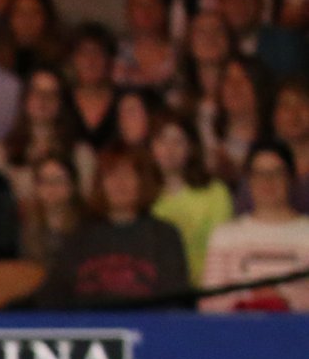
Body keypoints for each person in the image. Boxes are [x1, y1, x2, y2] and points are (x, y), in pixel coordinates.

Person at [35, 146, 190, 305]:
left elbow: (175, 299)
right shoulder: (80, 237)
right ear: (100, 184)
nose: (119, 183)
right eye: (111, 176)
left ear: (141, 182)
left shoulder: (164, 236)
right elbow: (54, 294)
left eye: (127, 175)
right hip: (90, 325)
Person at [201, 142, 309, 310]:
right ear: (249, 180)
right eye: (259, 174)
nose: (267, 181)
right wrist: (249, 301)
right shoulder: (225, 235)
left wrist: (283, 301)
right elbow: (209, 304)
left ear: (291, 178)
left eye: (276, 173)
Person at [148, 117, 232, 283]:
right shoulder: (142, 196)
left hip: (206, 290)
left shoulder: (215, 192)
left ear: (191, 147)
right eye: (162, 140)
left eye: (177, 141)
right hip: (157, 297)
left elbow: (223, 249)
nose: (169, 149)